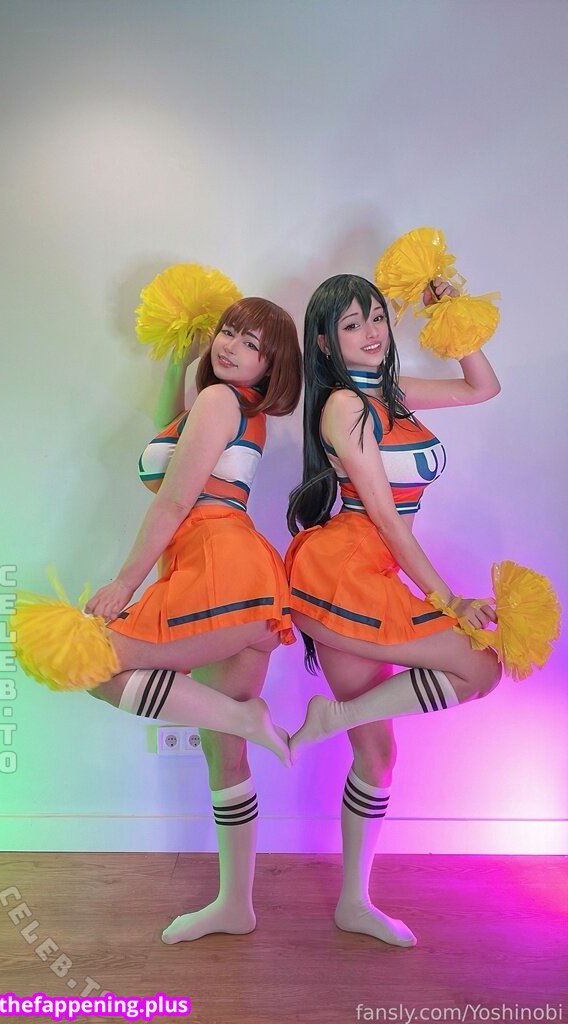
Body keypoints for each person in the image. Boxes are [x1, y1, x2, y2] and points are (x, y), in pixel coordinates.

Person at [74, 297, 301, 939]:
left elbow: (174, 500)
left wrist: (124, 582)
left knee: (91, 660)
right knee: (226, 757)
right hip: (239, 576)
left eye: (252, 344)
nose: (231, 346)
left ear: (271, 366)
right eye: (228, 331)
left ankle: (243, 717)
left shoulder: (221, 401)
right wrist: (183, 355)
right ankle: (236, 905)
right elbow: (174, 431)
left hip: (216, 569)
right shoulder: (231, 406)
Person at [286, 274, 502, 947]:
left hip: (376, 572)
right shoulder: (344, 406)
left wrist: (452, 312)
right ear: (326, 341)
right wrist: (449, 599)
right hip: (345, 573)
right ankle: (336, 721)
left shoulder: (393, 394)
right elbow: (384, 517)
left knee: (377, 754)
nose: (371, 332)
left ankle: (354, 902)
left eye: (376, 317)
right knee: (480, 666)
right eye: (351, 323)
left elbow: (482, 386)